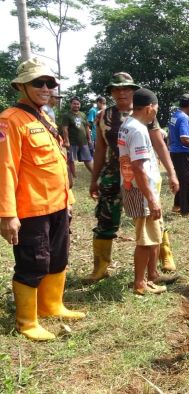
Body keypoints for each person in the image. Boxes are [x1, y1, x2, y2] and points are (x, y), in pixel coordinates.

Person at [0, 58, 85, 341]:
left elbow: (57, 161)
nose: (46, 88)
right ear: (22, 85)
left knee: (58, 257)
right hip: (30, 208)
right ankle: (27, 321)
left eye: (50, 83)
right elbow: (5, 168)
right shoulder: (10, 120)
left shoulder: (44, 116)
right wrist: (7, 214)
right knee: (34, 262)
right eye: (39, 82)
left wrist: (69, 198)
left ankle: (51, 306)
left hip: (58, 203)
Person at [88, 72, 179, 283]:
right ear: (111, 92)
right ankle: (101, 266)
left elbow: (159, 145)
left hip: (141, 176)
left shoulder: (146, 113)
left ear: (133, 90)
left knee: (152, 214)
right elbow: (99, 150)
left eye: (126, 88)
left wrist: (172, 172)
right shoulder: (104, 116)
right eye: (116, 89)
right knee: (106, 218)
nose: (121, 93)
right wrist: (94, 179)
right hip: (113, 174)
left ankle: (165, 257)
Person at [117, 88, 168, 295]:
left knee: (151, 237)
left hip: (137, 188)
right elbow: (138, 167)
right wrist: (152, 199)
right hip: (142, 190)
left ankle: (148, 278)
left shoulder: (127, 125)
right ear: (148, 108)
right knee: (146, 240)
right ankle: (140, 283)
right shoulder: (138, 130)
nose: (156, 113)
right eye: (155, 109)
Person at [168, 94, 189, 217]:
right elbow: (184, 139)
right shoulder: (183, 118)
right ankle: (186, 211)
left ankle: (177, 206)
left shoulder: (174, 116)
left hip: (175, 152)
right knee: (187, 182)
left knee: (181, 180)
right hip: (183, 153)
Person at [61, 96, 94, 176]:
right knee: (71, 160)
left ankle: (94, 173)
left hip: (84, 141)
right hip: (72, 142)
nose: (76, 105)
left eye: (78, 104)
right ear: (71, 104)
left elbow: (87, 127)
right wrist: (67, 141)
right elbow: (65, 129)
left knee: (88, 159)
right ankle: (73, 175)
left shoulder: (83, 114)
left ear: (80, 105)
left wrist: (89, 139)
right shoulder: (66, 115)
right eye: (74, 104)